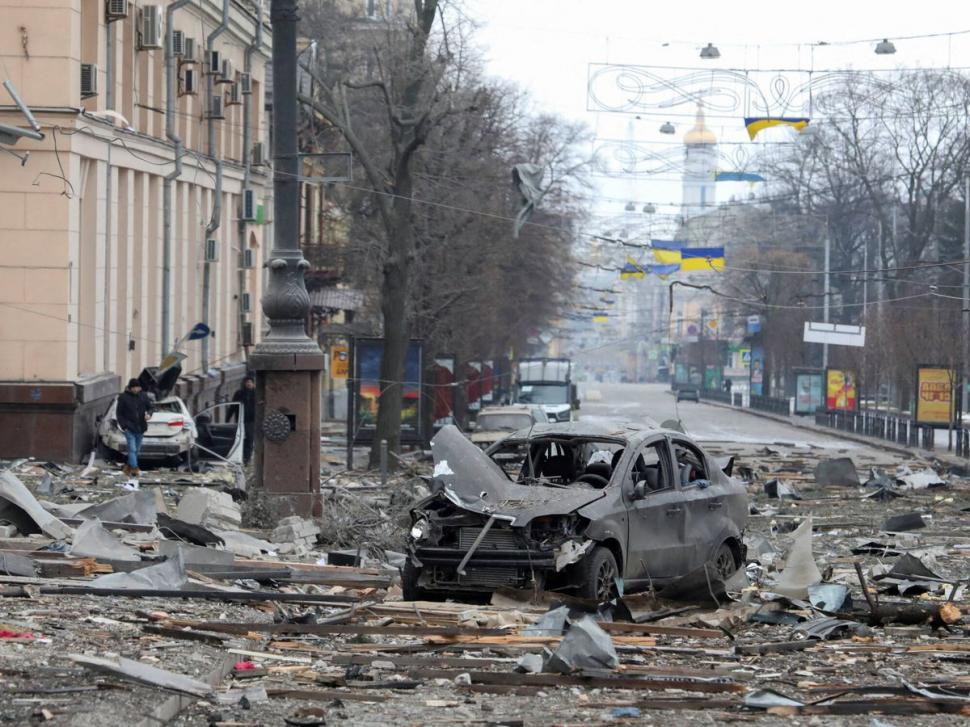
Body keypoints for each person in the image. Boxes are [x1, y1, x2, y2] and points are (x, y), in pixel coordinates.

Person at [116, 378, 152, 477]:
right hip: (129, 427)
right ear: (130, 388)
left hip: (141, 427)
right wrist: (124, 426)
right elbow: (119, 413)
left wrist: (149, 414)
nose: (136, 389)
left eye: (138, 387)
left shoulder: (143, 396)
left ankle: (128, 468)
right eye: (134, 387)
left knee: (136, 449)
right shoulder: (123, 397)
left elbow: (150, 407)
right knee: (132, 449)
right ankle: (135, 468)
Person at [230, 375, 256, 464]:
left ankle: (247, 458)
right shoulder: (239, 393)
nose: (249, 384)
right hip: (241, 420)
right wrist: (228, 417)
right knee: (240, 438)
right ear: (244, 383)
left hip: (251, 421)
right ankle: (240, 457)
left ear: (253, 383)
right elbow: (233, 407)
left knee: (249, 439)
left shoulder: (256, 393)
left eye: (250, 382)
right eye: (247, 382)